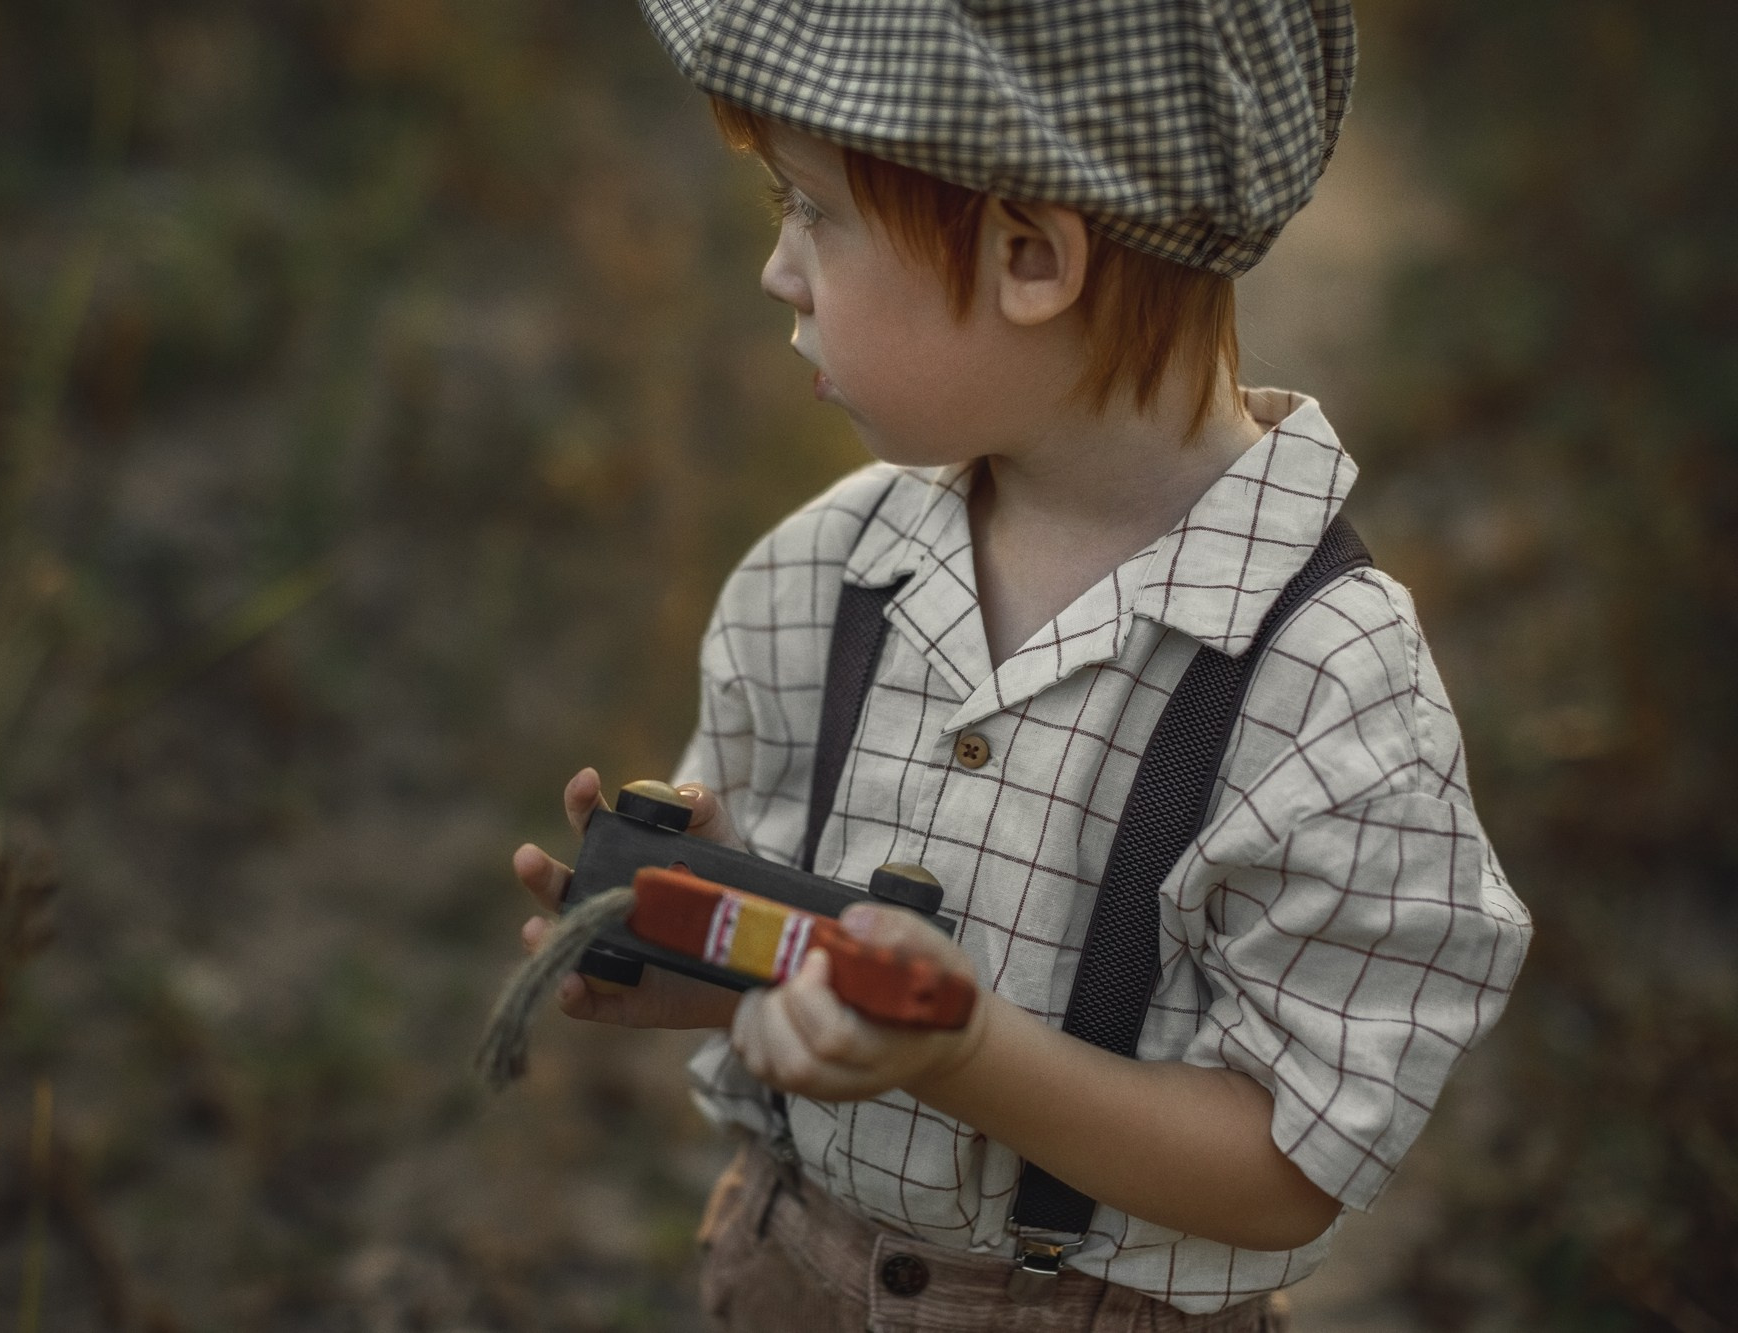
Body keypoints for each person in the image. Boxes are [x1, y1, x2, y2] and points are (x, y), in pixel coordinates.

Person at [511, 2, 1532, 1328]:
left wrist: (971, 1056)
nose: (779, 268)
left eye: (811, 210)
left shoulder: (1327, 685)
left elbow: (1293, 1163)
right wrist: (690, 933)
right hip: (784, 1266)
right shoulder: (819, 573)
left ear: (1034, 257)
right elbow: (791, 979)